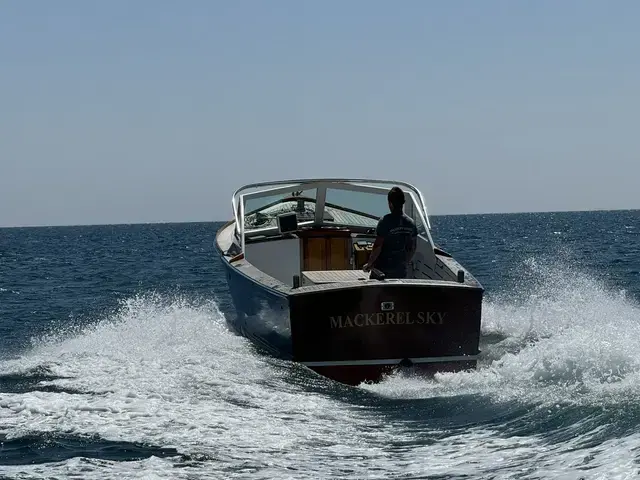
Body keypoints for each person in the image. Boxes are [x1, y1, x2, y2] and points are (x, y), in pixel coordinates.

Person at [363, 186, 418, 279]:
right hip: (400, 271)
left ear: (390, 204)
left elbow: (377, 247)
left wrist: (369, 264)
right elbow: (412, 248)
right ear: (403, 203)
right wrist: (405, 263)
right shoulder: (411, 223)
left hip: (382, 270)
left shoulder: (385, 221)